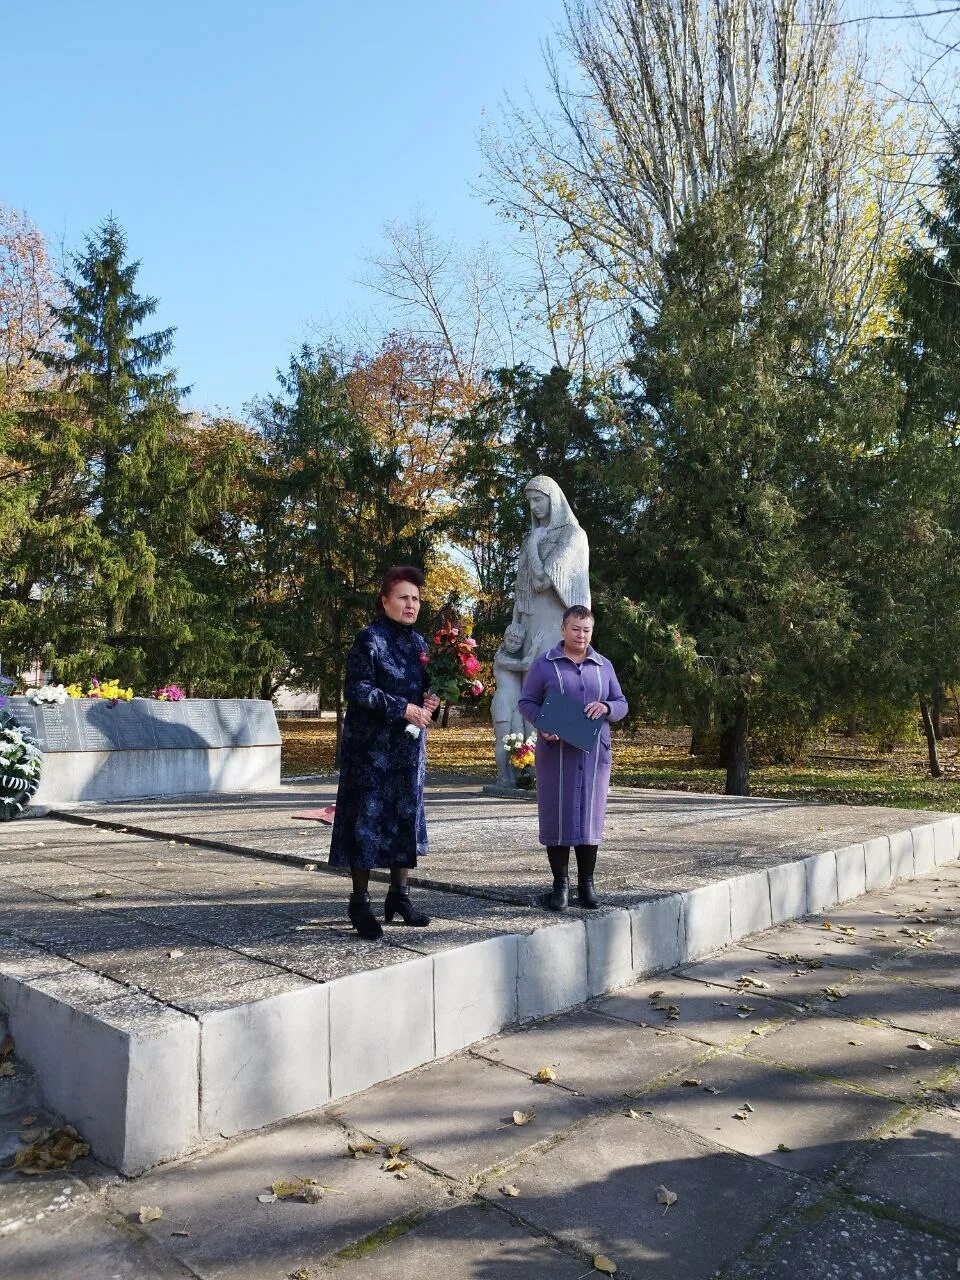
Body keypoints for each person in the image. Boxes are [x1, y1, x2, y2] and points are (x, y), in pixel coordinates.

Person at [328, 566, 439, 939]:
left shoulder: (420, 645)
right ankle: (360, 902)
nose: (411, 604)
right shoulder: (369, 640)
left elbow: (424, 697)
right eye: (404, 597)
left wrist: (431, 703)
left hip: (408, 751)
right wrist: (402, 707)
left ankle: (399, 896)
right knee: (366, 822)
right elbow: (357, 689)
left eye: (416, 599)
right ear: (385, 601)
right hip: (370, 752)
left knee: (404, 817)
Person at [517, 605, 628, 911]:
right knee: (558, 815)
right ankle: (560, 888)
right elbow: (526, 701)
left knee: (590, 817)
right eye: (576, 629)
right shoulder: (545, 665)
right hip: (556, 755)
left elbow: (621, 703)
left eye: (587, 629)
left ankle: (587, 886)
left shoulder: (603, 665)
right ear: (563, 629)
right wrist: (543, 722)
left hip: (594, 756)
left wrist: (606, 707)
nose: (581, 635)